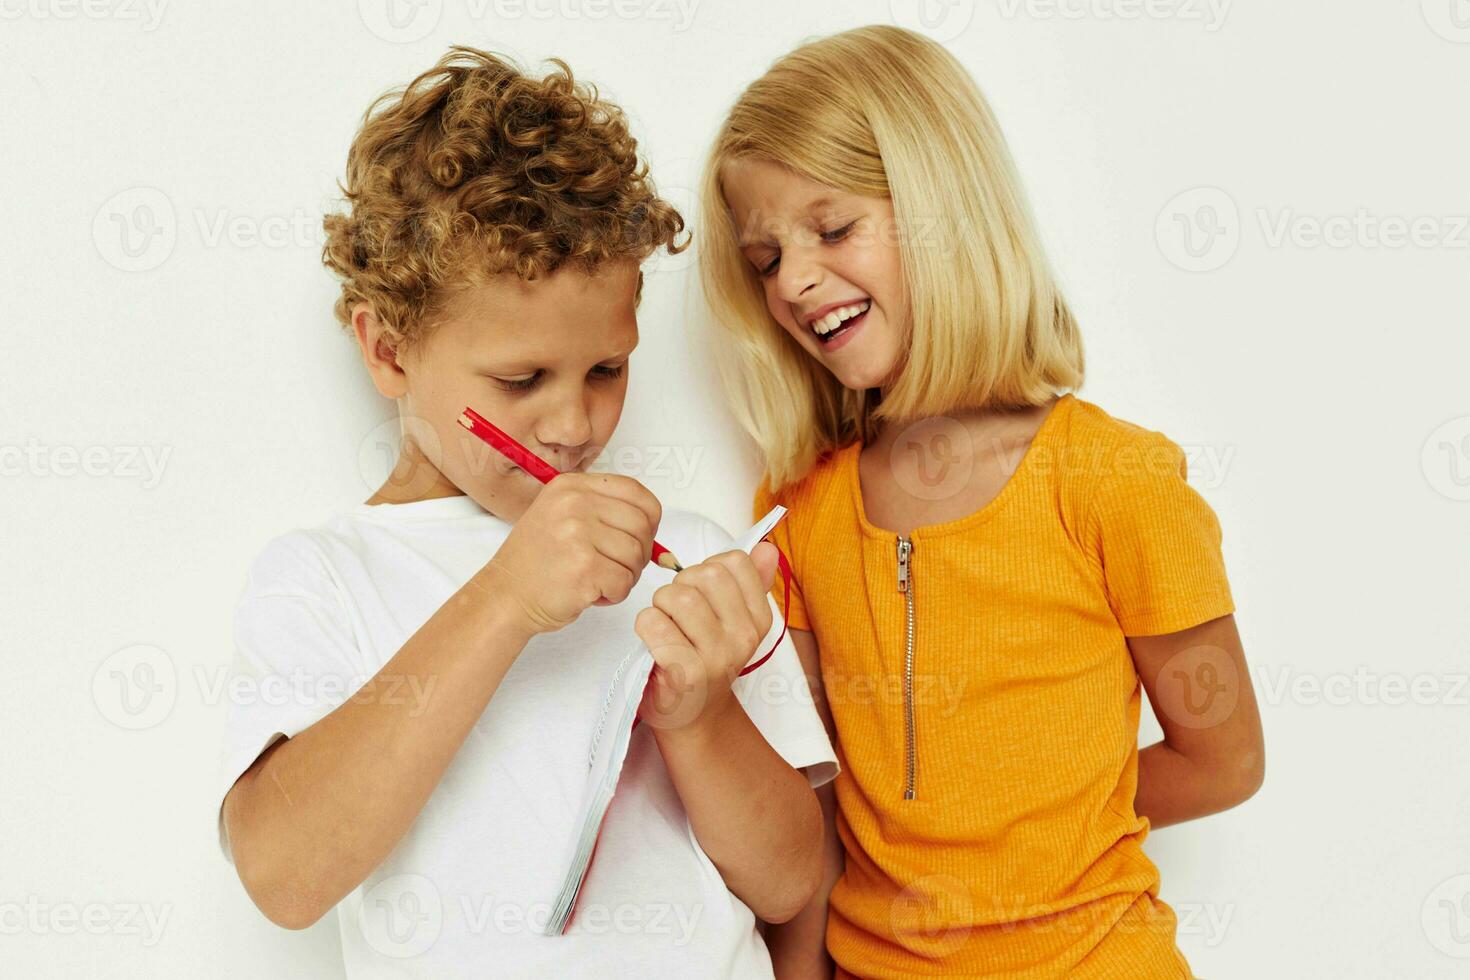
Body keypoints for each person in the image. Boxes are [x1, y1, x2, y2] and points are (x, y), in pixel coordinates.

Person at [215, 45, 836, 978]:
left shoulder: (698, 563)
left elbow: (793, 886)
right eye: (519, 379)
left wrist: (700, 717)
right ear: (388, 353)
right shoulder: (323, 579)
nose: (574, 423)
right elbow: (283, 877)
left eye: (607, 369)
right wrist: (506, 597)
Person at [697, 24, 1265, 979]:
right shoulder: (797, 507)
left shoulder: (1116, 482)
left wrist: (1025, 830)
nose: (793, 281)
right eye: (765, 258)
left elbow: (1225, 761)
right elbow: (823, 801)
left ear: (943, 210)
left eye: (832, 229)